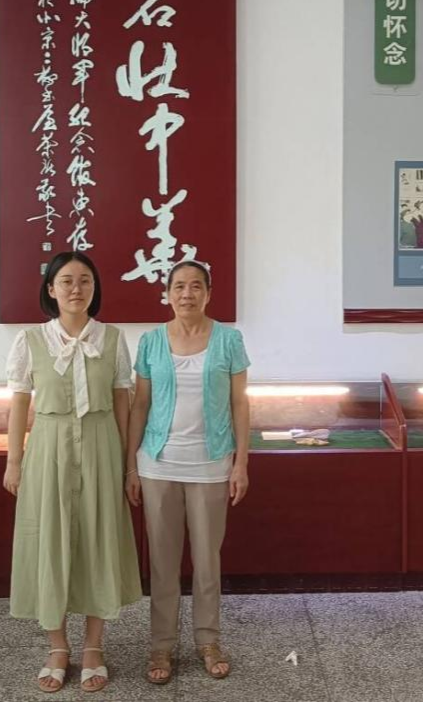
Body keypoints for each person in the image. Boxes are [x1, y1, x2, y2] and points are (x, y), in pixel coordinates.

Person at [4, 251, 142, 693]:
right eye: (66, 280)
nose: (76, 288)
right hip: (49, 446)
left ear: (94, 288)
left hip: (101, 444)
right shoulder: (30, 340)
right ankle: (57, 647)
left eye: (85, 280)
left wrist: (129, 463)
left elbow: (122, 403)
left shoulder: (112, 338)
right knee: (49, 539)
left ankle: (94, 646)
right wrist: (13, 460)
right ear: (51, 289)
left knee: (99, 539)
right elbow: (19, 404)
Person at [125, 261, 251, 685]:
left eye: (196, 286)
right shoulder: (151, 342)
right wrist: (131, 465)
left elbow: (240, 404)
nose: (187, 294)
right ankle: (161, 645)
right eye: (179, 286)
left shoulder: (229, 340)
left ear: (208, 293)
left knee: (207, 559)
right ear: (167, 293)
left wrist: (241, 463)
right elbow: (140, 405)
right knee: (162, 561)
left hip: (211, 464)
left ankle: (208, 641)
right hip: (158, 463)